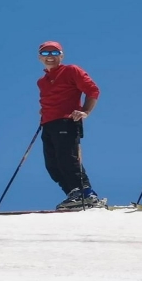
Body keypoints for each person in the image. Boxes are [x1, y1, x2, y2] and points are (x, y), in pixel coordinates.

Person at [37, 40, 104, 209]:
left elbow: (93, 90)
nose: (50, 56)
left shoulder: (71, 70)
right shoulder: (43, 81)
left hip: (66, 121)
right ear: (40, 57)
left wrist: (85, 112)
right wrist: (44, 112)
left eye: (54, 52)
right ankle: (74, 194)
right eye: (45, 53)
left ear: (61, 55)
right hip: (48, 125)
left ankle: (86, 194)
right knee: (52, 165)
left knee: (67, 159)